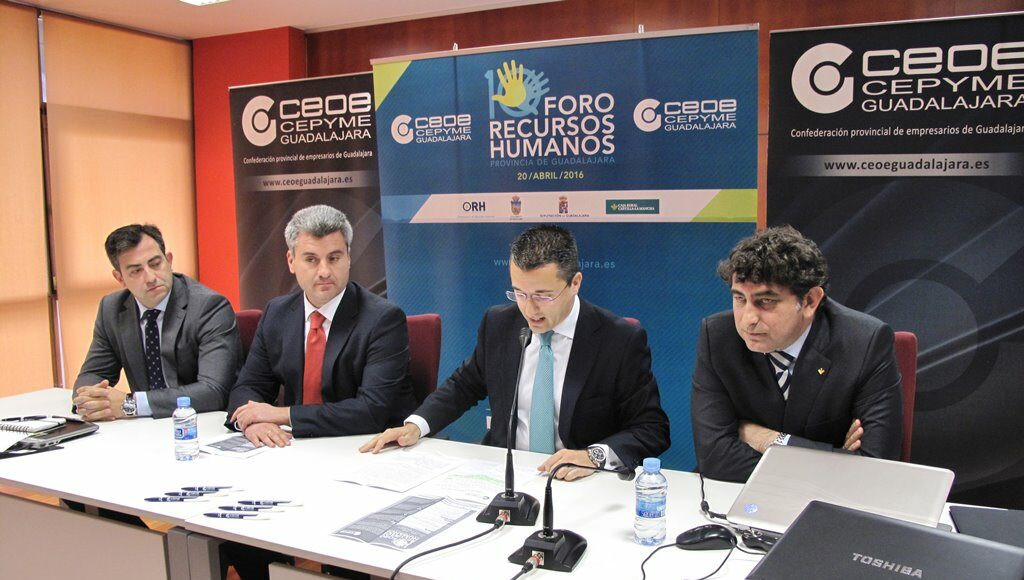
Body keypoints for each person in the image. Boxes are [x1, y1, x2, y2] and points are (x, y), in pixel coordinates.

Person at [361, 224, 670, 480]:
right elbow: (464, 385)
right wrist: (415, 426)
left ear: (575, 283)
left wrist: (593, 456)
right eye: (519, 293)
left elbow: (652, 429)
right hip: (504, 473)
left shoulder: (619, 340)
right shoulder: (500, 323)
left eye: (543, 296)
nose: (529, 309)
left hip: (577, 482)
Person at [691, 225, 903, 482]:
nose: (748, 319)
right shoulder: (718, 337)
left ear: (810, 301)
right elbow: (715, 458)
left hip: (828, 501)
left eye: (766, 301)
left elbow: (874, 467)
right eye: (740, 299)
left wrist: (769, 439)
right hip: (736, 492)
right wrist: (835, 458)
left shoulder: (865, 343)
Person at [225, 205, 416, 447]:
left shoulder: (383, 319)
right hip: (297, 446)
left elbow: (370, 411)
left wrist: (282, 415)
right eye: (311, 260)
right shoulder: (277, 313)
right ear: (291, 261)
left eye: (334, 258)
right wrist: (254, 422)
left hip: (368, 447)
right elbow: (247, 387)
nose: (324, 271)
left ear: (348, 257)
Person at [73, 224, 241, 420]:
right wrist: (91, 400)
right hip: (146, 427)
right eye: (136, 271)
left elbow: (213, 391)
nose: (151, 278)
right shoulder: (111, 309)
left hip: (200, 422)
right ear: (120, 278)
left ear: (169, 260)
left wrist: (131, 405)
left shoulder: (208, 307)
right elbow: (92, 375)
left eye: (155, 264)